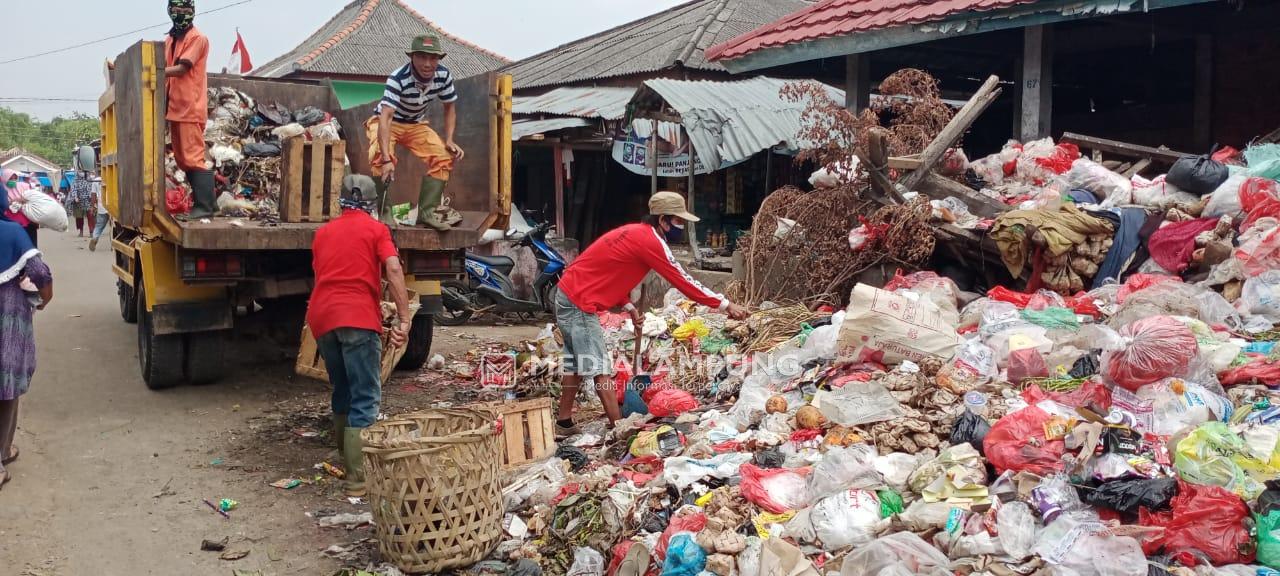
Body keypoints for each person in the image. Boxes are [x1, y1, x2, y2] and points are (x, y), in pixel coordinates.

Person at [552, 191, 749, 437]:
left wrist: (629, 307)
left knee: (577, 363)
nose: (681, 227)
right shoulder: (650, 240)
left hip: (570, 293)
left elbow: (604, 272)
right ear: (663, 220)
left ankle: (564, 422)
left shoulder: (634, 233)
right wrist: (724, 304)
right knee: (599, 366)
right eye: (678, 221)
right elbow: (682, 279)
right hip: (579, 301)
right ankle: (618, 428)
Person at [306, 174, 412, 497]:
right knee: (366, 395)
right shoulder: (376, 229)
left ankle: (345, 458)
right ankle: (358, 479)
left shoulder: (322, 233)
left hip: (322, 318)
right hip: (357, 317)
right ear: (370, 204)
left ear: (341, 201)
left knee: (343, 388)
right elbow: (393, 269)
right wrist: (404, 319)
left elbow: (321, 273)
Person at [367, 33, 464, 230]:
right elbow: (386, 116)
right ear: (412, 57)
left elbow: (450, 108)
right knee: (379, 156)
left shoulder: (444, 76)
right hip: (387, 122)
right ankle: (384, 212)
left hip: (415, 124)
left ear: (439, 59)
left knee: (444, 157)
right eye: (422, 57)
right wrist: (387, 160)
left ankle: (427, 213)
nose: (428, 63)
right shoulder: (398, 78)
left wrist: (450, 139)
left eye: (433, 58)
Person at [0, 212, 53, 489]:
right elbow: (39, 272)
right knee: (6, 382)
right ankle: (3, 452)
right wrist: (46, 297)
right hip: (8, 316)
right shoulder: (12, 232)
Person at [163, 0, 215, 219]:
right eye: (176, 9)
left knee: (193, 157)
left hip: (190, 107)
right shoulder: (170, 39)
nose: (180, 13)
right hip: (175, 107)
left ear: (192, 12)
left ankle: (206, 206)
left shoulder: (198, 38)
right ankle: (204, 203)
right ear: (169, 10)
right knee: (183, 159)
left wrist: (153, 71)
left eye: (185, 10)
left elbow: (183, 68)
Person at [68, 172, 93, 237]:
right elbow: (74, 189)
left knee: (90, 216)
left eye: (82, 171)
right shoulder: (75, 180)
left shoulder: (89, 179)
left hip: (88, 200)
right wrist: (75, 197)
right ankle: (81, 232)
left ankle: (91, 232)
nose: (81, 173)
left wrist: (91, 197)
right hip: (78, 201)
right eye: (79, 171)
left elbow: (91, 189)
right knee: (79, 217)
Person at [89, 174, 109, 251]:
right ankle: (113, 245)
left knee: (99, 225)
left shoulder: (96, 180)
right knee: (114, 227)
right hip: (114, 205)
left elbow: (93, 195)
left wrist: (92, 206)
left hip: (102, 206)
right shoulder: (112, 175)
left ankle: (95, 238)